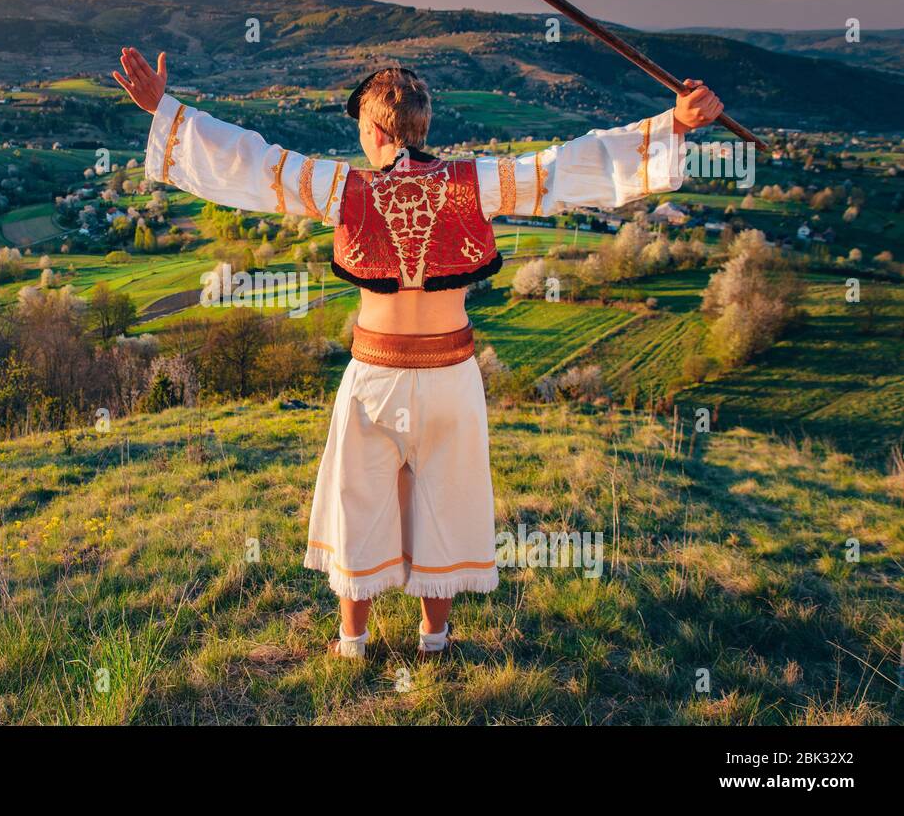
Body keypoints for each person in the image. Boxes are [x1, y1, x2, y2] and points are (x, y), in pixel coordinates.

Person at [113, 46, 722, 659]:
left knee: (359, 500)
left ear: (374, 129)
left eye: (360, 129)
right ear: (420, 126)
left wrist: (166, 110)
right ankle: (434, 639)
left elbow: (256, 166)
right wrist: (672, 125)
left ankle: (352, 641)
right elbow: (564, 169)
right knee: (446, 499)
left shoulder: (342, 187)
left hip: (375, 375)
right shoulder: (478, 184)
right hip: (451, 375)